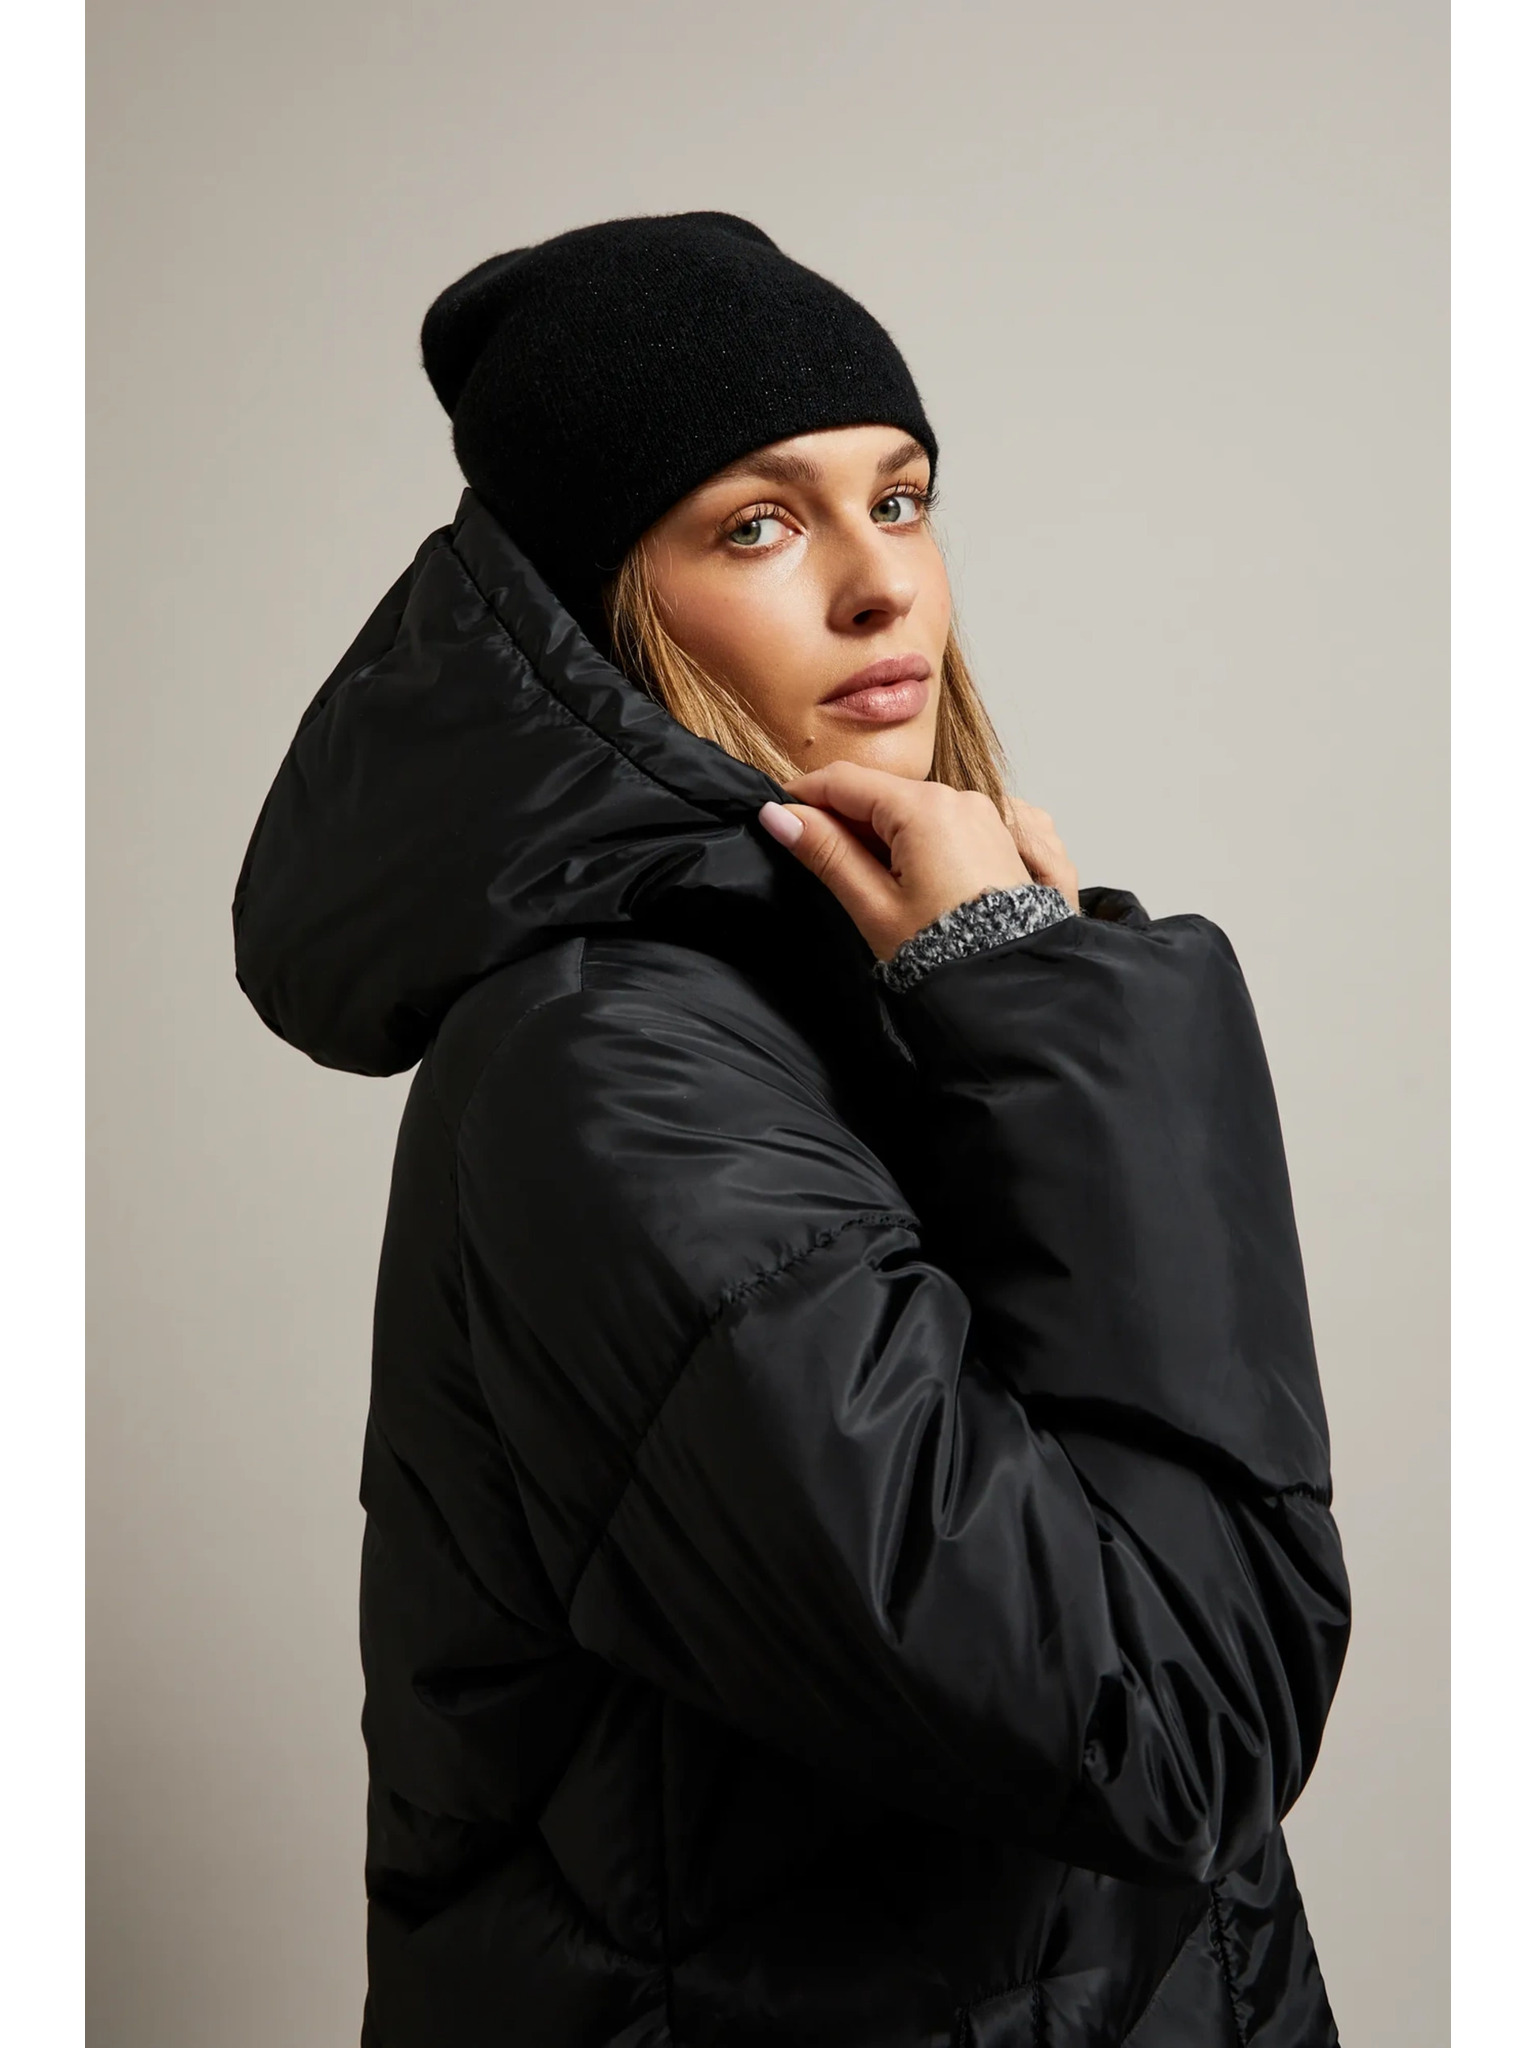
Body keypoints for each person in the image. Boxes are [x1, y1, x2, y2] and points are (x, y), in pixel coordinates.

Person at [233, 212, 1351, 2048]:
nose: (880, 585)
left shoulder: (842, 986)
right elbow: (1170, 1718)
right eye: (757, 524)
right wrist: (1069, 1028)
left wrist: (1010, 1006)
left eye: (899, 499)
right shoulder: (616, 1078)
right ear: (603, 605)